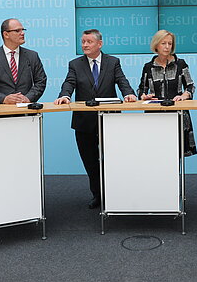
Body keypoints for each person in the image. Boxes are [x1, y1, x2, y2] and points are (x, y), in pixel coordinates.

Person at [54, 29, 137, 209]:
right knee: (90, 161)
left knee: (114, 159)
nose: (84, 45)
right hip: (84, 121)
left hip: (110, 120)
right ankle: (97, 194)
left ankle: (116, 193)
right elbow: (69, 83)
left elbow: (122, 81)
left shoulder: (113, 62)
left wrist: (129, 94)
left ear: (99, 44)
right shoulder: (75, 64)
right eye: (83, 41)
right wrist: (65, 96)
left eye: (89, 42)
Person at [137, 30, 197, 157]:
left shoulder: (180, 64)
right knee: (157, 152)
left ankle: (177, 177)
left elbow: (190, 86)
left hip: (178, 113)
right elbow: (141, 90)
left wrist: (184, 96)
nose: (167, 46)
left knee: (176, 152)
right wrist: (144, 96)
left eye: (170, 43)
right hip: (155, 114)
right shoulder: (148, 67)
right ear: (156, 45)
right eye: (163, 43)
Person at [0, 18, 46, 105]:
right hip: (0, 113)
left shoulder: (32, 56)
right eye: (17, 31)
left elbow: (41, 81)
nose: (22, 33)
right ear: (6, 34)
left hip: (26, 111)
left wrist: (28, 98)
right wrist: (4, 99)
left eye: (23, 30)